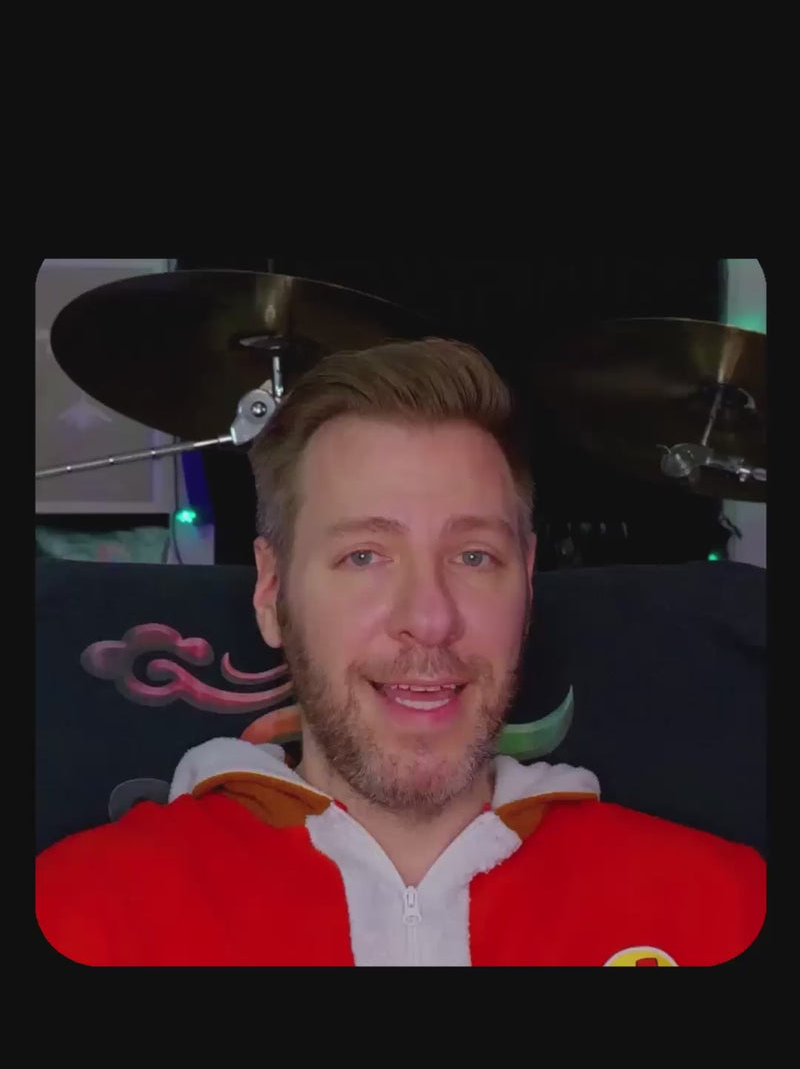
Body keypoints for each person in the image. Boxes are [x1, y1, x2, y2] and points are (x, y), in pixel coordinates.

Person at [36, 339, 765, 966]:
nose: (430, 619)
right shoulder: (78, 912)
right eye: (364, 556)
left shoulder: (726, 907)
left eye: (475, 556)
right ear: (271, 591)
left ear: (527, 583)